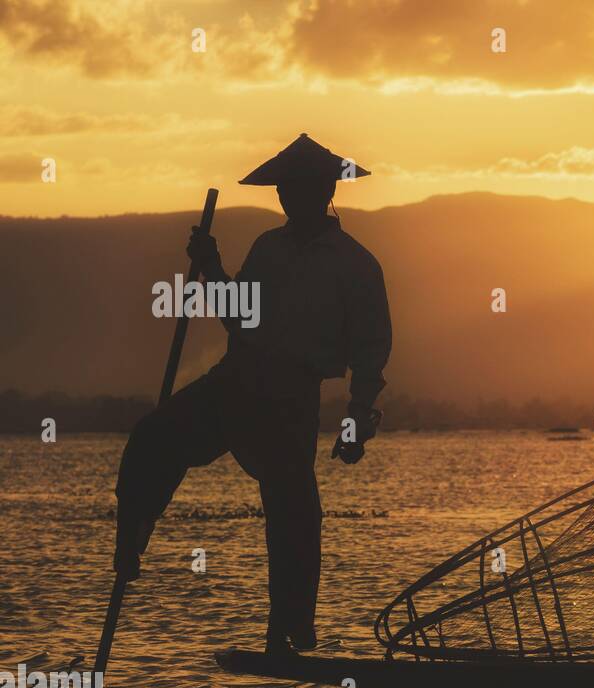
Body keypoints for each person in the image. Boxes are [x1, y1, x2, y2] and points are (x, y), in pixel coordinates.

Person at [114, 134, 392, 654]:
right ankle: (134, 533)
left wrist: (356, 423)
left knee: (292, 510)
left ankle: (286, 630)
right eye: (286, 190)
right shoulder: (269, 248)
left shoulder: (355, 265)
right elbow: (240, 318)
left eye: (301, 188)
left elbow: (370, 353)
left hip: (290, 398)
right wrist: (212, 264)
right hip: (237, 380)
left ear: (326, 189)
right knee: (154, 436)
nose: (291, 198)